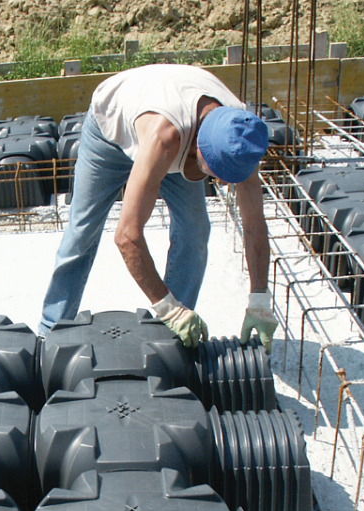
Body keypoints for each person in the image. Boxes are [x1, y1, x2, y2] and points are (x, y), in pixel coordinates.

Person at [38, 64, 279, 352]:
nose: (220, 183)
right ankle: (49, 332)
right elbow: (127, 236)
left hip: (175, 123)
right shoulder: (165, 136)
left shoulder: (241, 138)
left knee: (195, 230)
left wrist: (260, 300)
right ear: (199, 150)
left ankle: (169, 338)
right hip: (110, 133)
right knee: (82, 233)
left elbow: (253, 223)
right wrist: (168, 308)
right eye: (215, 174)